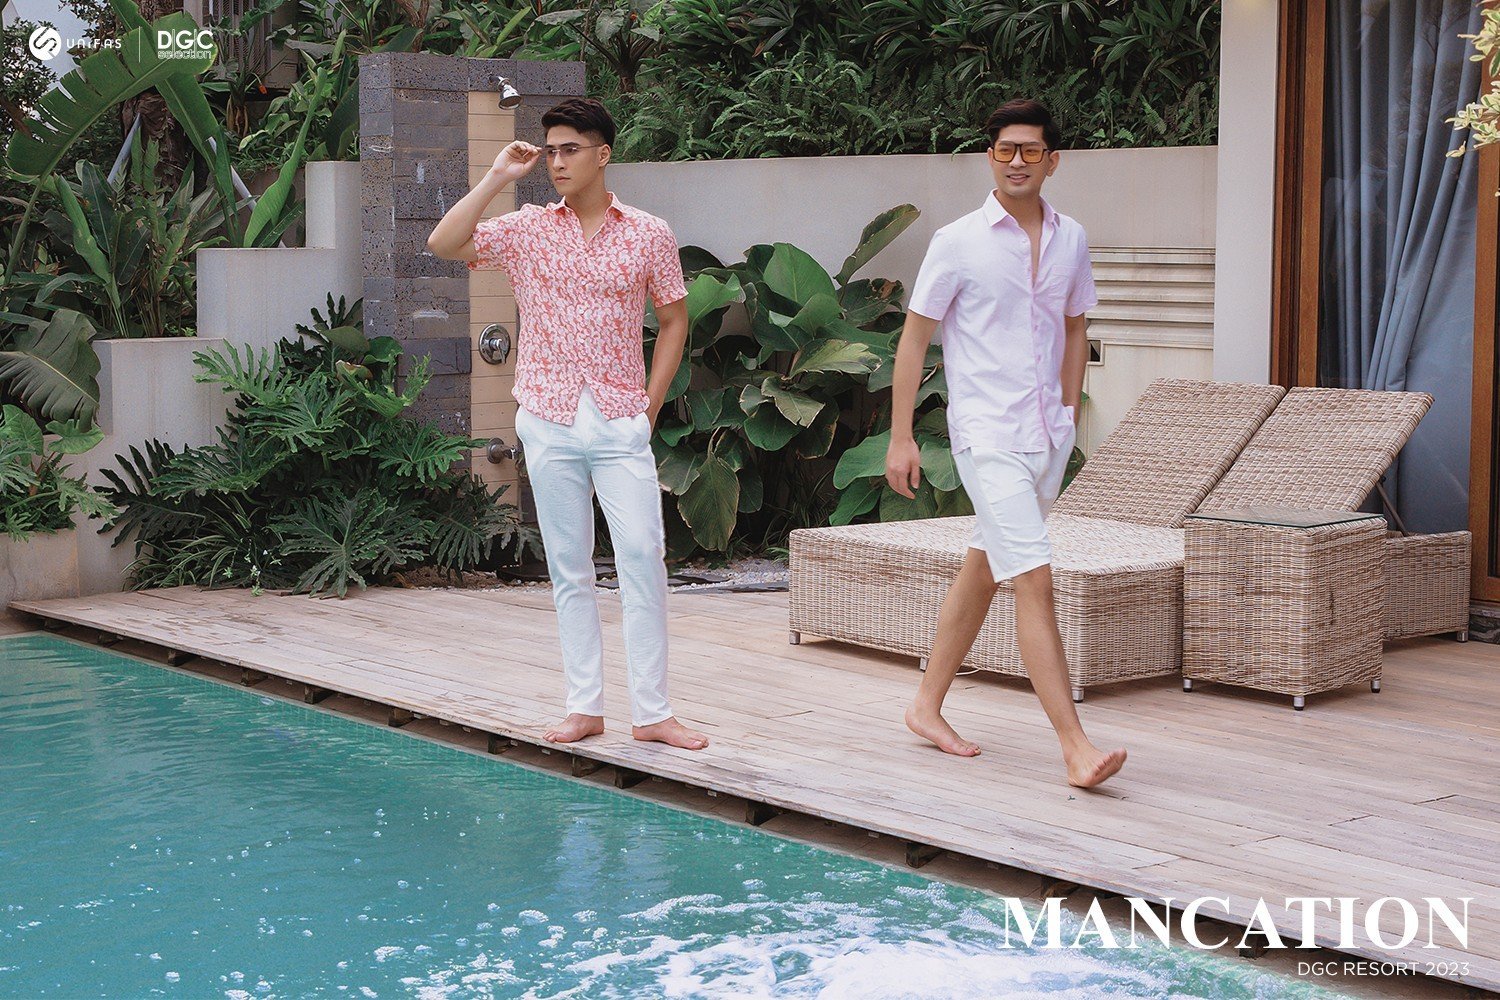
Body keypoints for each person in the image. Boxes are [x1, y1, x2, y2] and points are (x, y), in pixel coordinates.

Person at [427, 97, 708, 751]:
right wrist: (498, 176)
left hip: (619, 420)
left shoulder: (648, 233)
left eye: (570, 149)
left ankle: (653, 712)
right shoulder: (526, 229)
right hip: (548, 420)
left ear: (602, 154)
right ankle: (585, 707)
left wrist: (650, 405)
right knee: (569, 567)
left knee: (642, 556)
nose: (556, 161)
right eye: (550, 150)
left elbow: (674, 320)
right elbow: (443, 242)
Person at [885, 99, 1126, 787]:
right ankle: (1075, 747)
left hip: (1046, 433)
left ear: (1053, 160)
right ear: (990, 156)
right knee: (1033, 578)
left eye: (1030, 150)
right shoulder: (957, 241)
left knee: (986, 568)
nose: (1016, 161)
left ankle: (925, 706)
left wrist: (1069, 410)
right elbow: (914, 340)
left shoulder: (1072, 239)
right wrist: (901, 437)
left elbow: (1075, 327)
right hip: (986, 433)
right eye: (1004, 149)